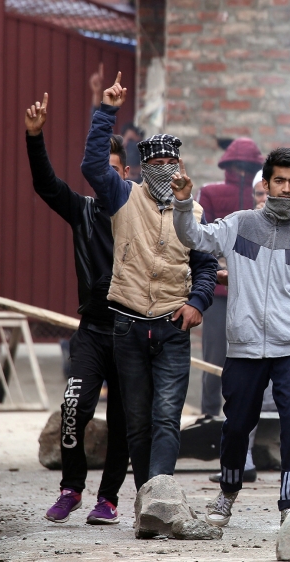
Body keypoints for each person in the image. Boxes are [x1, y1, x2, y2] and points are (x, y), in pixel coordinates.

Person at [170, 147, 290, 527]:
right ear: (266, 183)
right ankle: (227, 494)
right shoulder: (240, 223)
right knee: (237, 425)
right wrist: (182, 201)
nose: (286, 188)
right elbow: (194, 237)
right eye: (279, 181)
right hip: (243, 347)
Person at [81, 72, 217, 491]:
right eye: (154, 164)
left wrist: (197, 302)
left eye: (169, 164)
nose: (162, 170)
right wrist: (106, 111)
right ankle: (147, 497)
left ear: (180, 166)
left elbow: (206, 267)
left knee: (166, 417)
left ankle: (161, 494)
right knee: (137, 421)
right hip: (128, 324)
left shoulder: (192, 213)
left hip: (173, 327)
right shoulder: (123, 195)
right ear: (142, 167)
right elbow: (90, 166)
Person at [27, 93, 129, 525]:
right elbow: (46, 185)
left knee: (126, 419)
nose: (105, 176)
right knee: (74, 407)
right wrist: (35, 136)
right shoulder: (82, 211)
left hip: (131, 331)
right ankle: (71, 488)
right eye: (99, 169)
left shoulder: (139, 213)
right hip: (90, 331)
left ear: (126, 174)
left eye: (114, 169)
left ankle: (108, 500)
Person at [197, 138, 265, 419]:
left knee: (249, 355)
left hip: (249, 291)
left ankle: (236, 413)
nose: (240, 171)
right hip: (220, 290)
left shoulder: (260, 197)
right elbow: (203, 241)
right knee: (216, 357)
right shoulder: (211, 194)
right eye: (238, 166)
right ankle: (212, 413)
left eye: (245, 167)